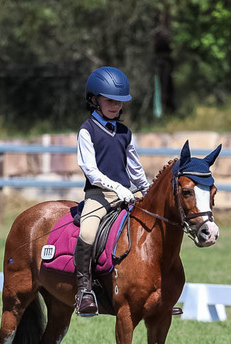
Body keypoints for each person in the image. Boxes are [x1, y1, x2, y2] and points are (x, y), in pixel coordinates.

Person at [75, 66, 149, 317]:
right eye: (109, 100)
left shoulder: (125, 132)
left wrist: (146, 191)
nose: (115, 106)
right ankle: (84, 290)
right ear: (94, 100)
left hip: (127, 194)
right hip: (99, 196)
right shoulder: (87, 130)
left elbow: (136, 169)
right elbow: (90, 170)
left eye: (119, 102)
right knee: (87, 231)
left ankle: (156, 288)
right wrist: (117, 187)